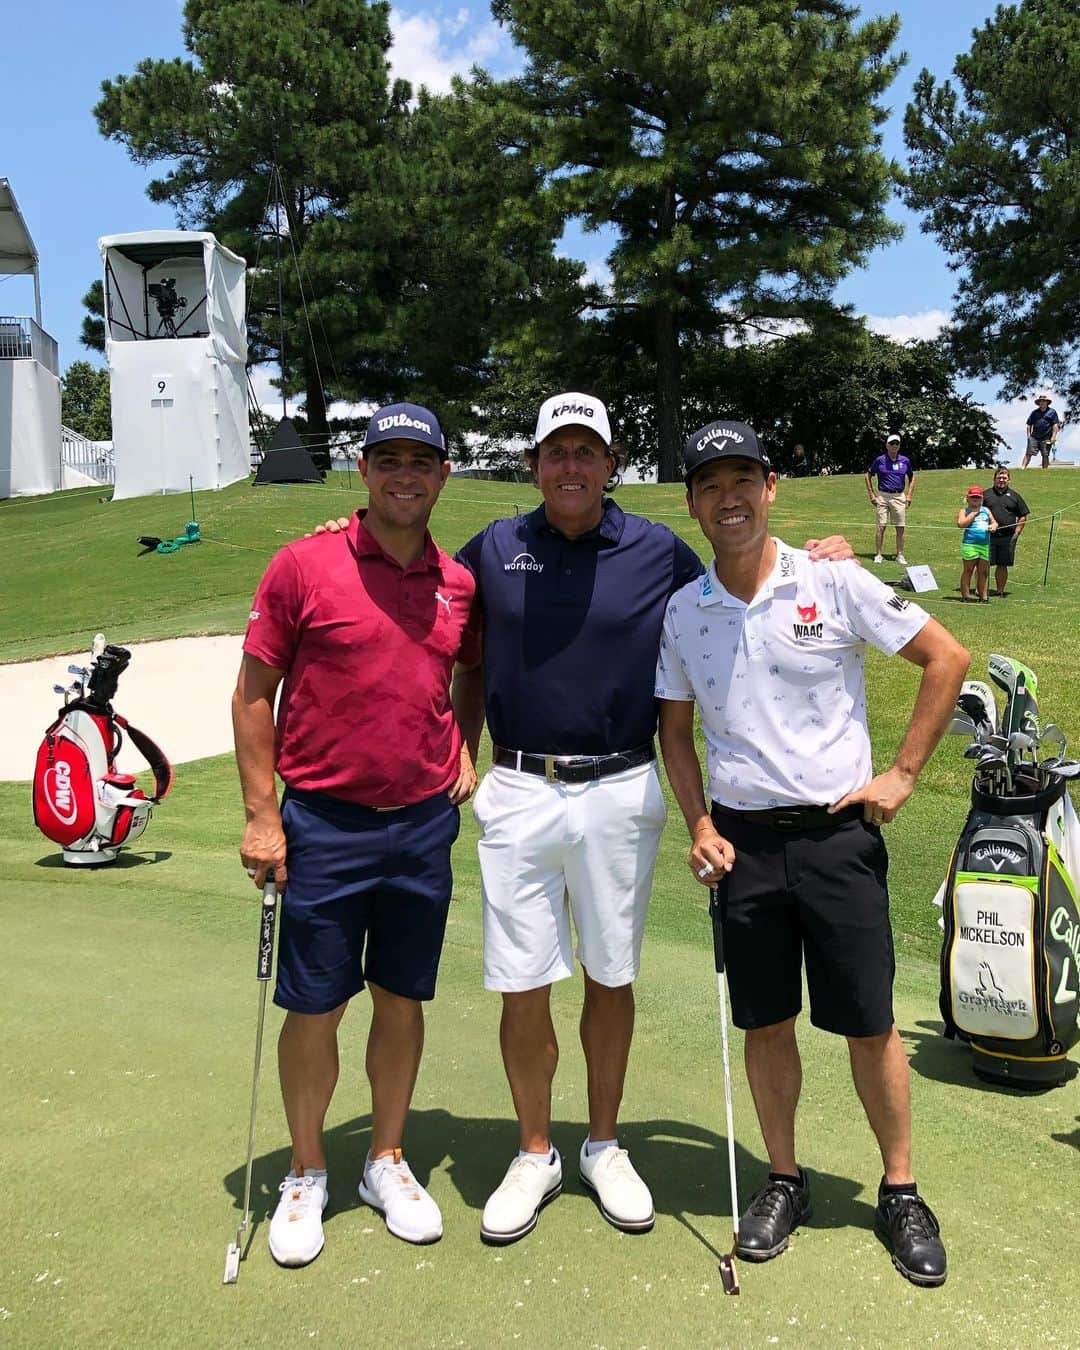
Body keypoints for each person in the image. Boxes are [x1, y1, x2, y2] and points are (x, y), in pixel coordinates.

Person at [448, 393, 857, 1246]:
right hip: (520, 788)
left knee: (609, 973)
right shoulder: (493, 548)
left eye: (586, 452)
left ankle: (602, 1143)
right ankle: (534, 1152)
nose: (571, 466)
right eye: (555, 451)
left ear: (611, 464)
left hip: (619, 785)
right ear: (534, 465)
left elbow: (743, 567)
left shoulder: (656, 550)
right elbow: (439, 621)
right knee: (522, 980)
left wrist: (822, 561)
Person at [656, 418, 968, 1288]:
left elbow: (946, 657)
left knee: (870, 1022)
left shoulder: (833, 577)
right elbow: (674, 733)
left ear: (772, 487)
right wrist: (699, 825)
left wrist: (902, 775)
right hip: (743, 844)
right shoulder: (685, 610)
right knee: (765, 1022)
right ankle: (784, 1178)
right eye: (711, 484)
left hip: (837, 837)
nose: (730, 497)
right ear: (692, 503)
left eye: (744, 479)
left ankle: (900, 1190)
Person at [232, 402, 479, 1268]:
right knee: (314, 1003)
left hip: (419, 827)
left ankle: (385, 1157)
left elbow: (463, 677)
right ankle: (306, 1170)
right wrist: (264, 815)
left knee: (402, 997)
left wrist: (464, 752)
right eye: (388, 461)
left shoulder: (458, 582)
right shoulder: (303, 565)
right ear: (364, 473)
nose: (404, 476)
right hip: (323, 826)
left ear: (444, 474)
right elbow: (253, 694)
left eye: (421, 461)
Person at [865, 434, 915, 565]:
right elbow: (868, 475)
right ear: (887, 445)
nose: (894, 446)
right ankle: (879, 554)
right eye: (892, 444)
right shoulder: (880, 460)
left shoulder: (905, 461)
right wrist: (872, 494)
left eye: (897, 444)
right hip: (883, 495)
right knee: (881, 526)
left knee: (900, 527)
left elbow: (912, 477)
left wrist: (909, 495)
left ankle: (900, 554)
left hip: (899, 496)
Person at [982, 467, 1028, 597]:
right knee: (983, 564)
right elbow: (976, 511)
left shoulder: (1015, 496)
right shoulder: (986, 495)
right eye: (999, 477)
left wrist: (1017, 533)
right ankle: (981, 590)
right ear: (994, 479)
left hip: (1007, 537)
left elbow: (1023, 516)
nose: (1001, 480)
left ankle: (1000, 591)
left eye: (1004, 478)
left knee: (1002, 565)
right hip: (987, 535)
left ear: (1009, 480)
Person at [957, 485, 997, 603]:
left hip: (984, 545)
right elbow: (961, 524)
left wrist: (993, 526)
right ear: (968, 498)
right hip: (970, 545)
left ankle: (983, 596)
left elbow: (994, 522)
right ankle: (966, 596)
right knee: (968, 570)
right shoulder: (964, 511)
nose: (975, 499)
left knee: (983, 572)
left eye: (978, 497)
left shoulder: (986, 510)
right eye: (973, 497)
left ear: (982, 499)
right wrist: (973, 514)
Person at [1022, 394, 1062, 469]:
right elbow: (1028, 424)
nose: (1042, 403)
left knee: (1045, 454)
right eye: (1041, 401)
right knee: (1028, 453)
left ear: (1047, 402)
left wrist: (1053, 436)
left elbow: (1055, 425)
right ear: (1039, 402)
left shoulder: (1052, 412)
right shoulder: (1034, 412)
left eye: (1044, 401)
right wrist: (1029, 436)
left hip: (1046, 437)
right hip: (1034, 437)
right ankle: (1022, 468)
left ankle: (1045, 470)